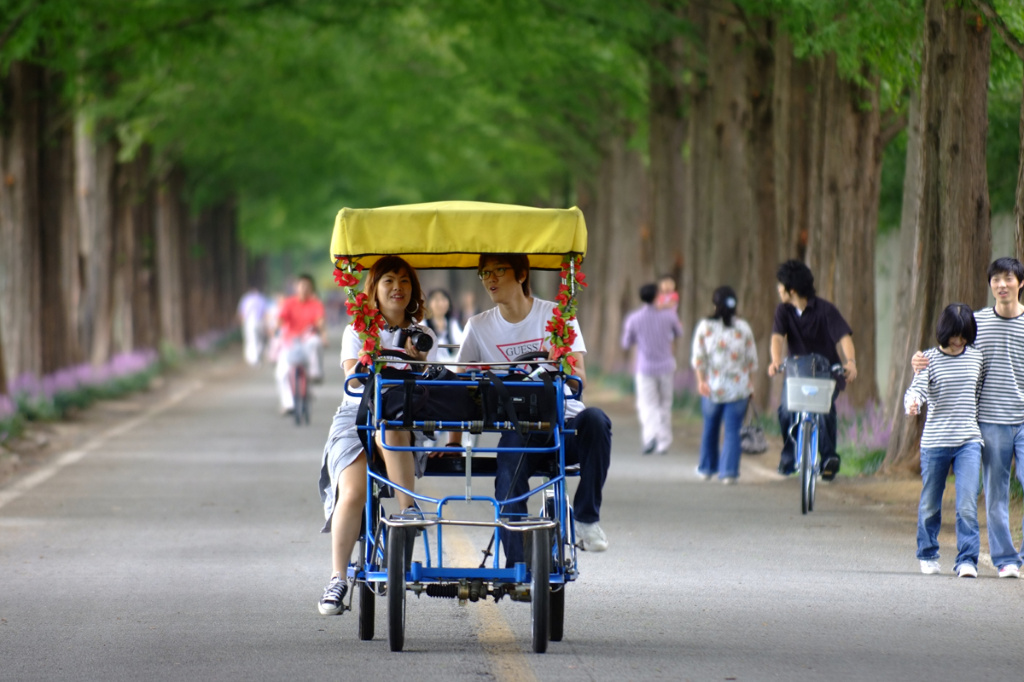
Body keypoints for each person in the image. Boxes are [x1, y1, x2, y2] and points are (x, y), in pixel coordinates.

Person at [452, 253, 613, 560]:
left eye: (499, 270)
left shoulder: (557, 316)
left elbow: (580, 378)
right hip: (519, 426)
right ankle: (518, 563)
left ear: (522, 274)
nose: (491, 279)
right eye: (485, 273)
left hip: (564, 422)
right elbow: (458, 387)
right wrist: (454, 442)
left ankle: (586, 519)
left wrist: (558, 360)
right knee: (509, 469)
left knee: (596, 419)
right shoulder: (478, 327)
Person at [316, 256, 439, 615]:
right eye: (388, 280)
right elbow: (353, 379)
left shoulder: (423, 334)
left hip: (401, 420)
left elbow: (430, 386)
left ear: (412, 290)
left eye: (404, 281)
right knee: (352, 492)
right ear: (374, 289)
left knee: (392, 422)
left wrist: (418, 361)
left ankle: (407, 510)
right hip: (355, 418)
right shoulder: (357, 329)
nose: (397, 287)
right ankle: (338, 578)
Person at [912, 257, 1024, 578]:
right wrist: (918, 361)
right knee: (994, 494)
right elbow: (946, 348)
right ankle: (1004, 560)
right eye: (996, 279)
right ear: (990, 284)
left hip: (1014, 422)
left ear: (1020, 282)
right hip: (988, 423)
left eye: (1008, 278)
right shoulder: (974, 324)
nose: (1002, 285)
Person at [904, 303, 983, 578]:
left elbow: (980, 392)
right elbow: (916, 390)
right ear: (944, 331)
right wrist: (913, 403)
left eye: (963, 335)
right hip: (935, 442)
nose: (958, 341)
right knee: (930, 502)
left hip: (969, 441)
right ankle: (927, 553)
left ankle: (967, 560)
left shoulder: (976, 358)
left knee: (967, 503)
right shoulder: (928, 359)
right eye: (954, 335)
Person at [767, 259, 857, 481]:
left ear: (792, 289)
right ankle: (789, 457)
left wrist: (851, 362)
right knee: (786, 411)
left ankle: (828, 459)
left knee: (825, 411)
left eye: (781, 285)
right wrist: (776, 360)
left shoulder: (825, 310)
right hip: (797, 373)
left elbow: (844, 337)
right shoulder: (783, 311)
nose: (778, 289)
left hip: (826, 372)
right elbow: (777, 338)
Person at [691, 286, 758, 484]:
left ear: (714, 304)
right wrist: (751, 385)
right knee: (732, 431)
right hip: (739, 388)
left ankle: (706, 468)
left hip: (712, 386)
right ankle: (729, 472)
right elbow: (751, 360)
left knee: (710, 428)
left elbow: (698, 358)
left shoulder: (705, 327)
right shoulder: (743, 328)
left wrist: (701, 381)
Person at [620, 282, 683, 455]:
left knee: (647, 405)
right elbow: (679, 332)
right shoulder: (669, 316)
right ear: (657, 296)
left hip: (645, 367)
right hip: (666, 366)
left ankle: (650, 437)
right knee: (665, 404)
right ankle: (663, 441)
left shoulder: (634, 318)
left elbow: (626, 342)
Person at [274, 274, 327, 415]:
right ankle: (288, 403)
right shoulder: (289, 303)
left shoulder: (316, 304)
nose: (304, 289)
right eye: (301, 285)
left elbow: (319, 321)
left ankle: (315, 374)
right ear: (296, 287)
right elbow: (280, 319)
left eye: (307, 286)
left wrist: (323, 336)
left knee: (316, 342)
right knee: (282, 373)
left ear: (312, 289)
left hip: (307, 339)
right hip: (290, 341)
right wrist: (276, 329)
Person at [424, 288, 464, 363]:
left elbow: (461, 343)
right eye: (437, 300)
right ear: (429, 304)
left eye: (443, 299)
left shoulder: (453, 323)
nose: (441, 303)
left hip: (451, 365)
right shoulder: (423, 324)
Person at [237, 286, 268, 366]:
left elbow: (241, 312)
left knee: (251, 339)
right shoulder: (261, 298)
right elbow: (265, 312)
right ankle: (255, 358)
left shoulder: (246, 298)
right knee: (258, 340)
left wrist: (242, 321)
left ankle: (253, 358)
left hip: (250, 322)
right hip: (258, 321)